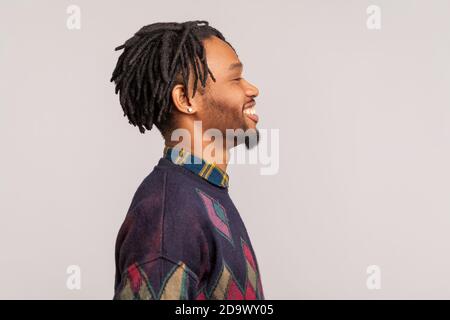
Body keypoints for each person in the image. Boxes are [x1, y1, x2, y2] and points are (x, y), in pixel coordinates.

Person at [111, 20, 264, 299]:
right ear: (186, 99)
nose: (252, 89)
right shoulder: (168, 214)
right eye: (235, 79)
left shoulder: (207, 196)